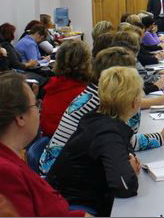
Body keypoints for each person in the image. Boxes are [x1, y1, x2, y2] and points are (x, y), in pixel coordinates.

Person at [39, 46, 164, 175]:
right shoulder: (102, 103)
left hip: (60, 169)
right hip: (60, 177)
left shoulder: (94, 92)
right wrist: (162, 137)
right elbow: (128, 141)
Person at [47, 66, 143, 216]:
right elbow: (125, 186)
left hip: (66, 197)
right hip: (76, 206)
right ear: (133, 102)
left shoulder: (96, 118)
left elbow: (123, 148)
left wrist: (128, 159)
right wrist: (129, 171)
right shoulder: (108, 132)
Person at [0, 72, 88, 217]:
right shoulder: (6, 173)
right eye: (36, 104)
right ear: (20, 117)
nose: (39, 110)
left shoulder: (12, 159)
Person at [40, 40, 92, 137]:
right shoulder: (85, 94)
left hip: (49, 138)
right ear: (86, 62)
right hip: (68, 141)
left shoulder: (52, 85)